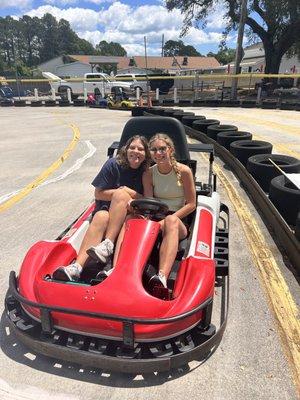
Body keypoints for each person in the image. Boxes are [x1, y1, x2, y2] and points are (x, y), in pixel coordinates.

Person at [53, 135, 150, 281]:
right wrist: (120, 195)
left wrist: (127, 193)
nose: (136, 151)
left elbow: (149, 199)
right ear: (126, 149)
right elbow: (98, 194)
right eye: (132, 147)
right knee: (101, 216)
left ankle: (112, 259)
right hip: (108, 212)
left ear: (146, 154)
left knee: (122, 197)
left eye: (140, 149)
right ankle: (77, 267)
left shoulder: (147, 172)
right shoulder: (113, 164)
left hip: (131, 213)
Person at [142, 133, 196, 289]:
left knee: (171, 221)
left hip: (178, 220)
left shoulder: (184, 171)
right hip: (157, 217)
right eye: (154, 150)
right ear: (150, 153)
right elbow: (149, 202)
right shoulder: (149, 173)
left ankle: (162, 276)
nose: (158, 153)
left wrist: (167, 220)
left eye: (162, 149)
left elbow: (191, 204)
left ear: (170, 150)